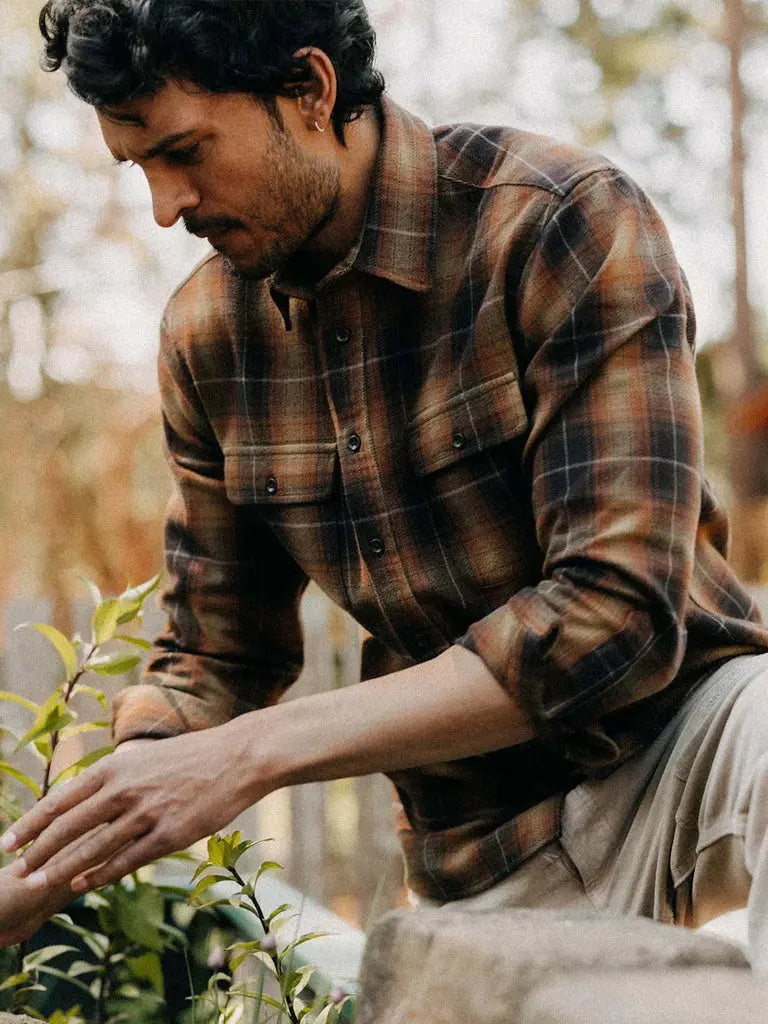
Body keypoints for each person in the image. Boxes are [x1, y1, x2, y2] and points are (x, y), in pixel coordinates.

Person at [4, 0, 768, 967]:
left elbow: (612, 613)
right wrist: (61, 849)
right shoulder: (205, 337)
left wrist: (253, 755)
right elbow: (215, 658)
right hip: (481, 844)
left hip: (688, 745)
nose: (165, 206)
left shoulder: (555, 220)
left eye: (186, 151)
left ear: (311, 90)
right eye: (140, 167)